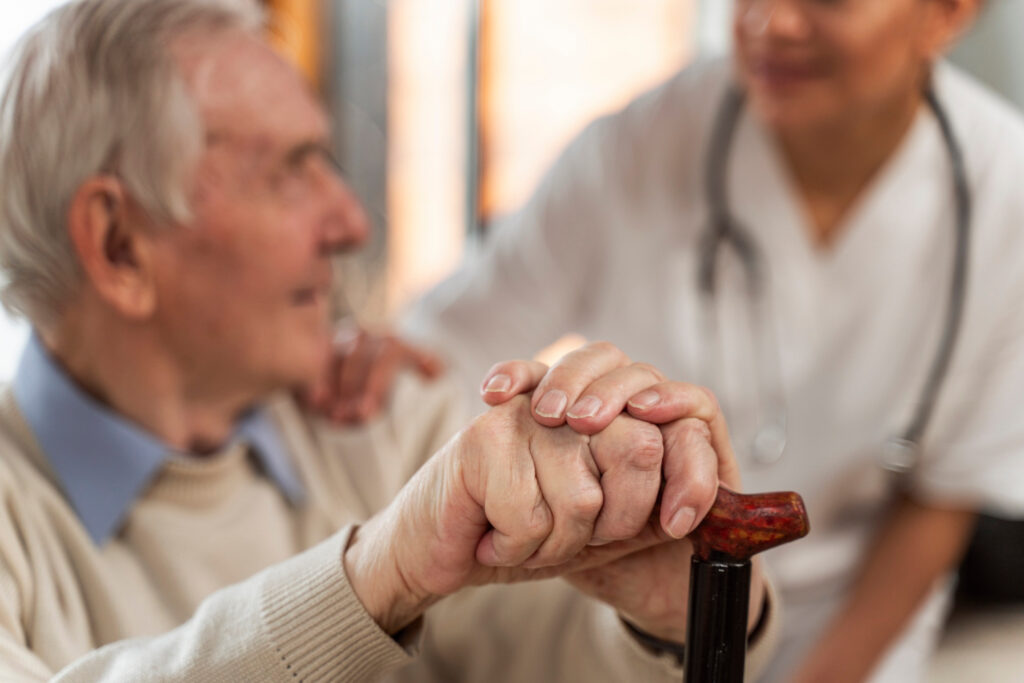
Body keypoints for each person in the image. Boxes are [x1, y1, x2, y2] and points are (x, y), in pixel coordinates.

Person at [0, 0, 780, 680]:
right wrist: (376, 574)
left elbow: (563, 659)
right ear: (118, 244)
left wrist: (677, 611)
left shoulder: (382, 422)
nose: (351, 223)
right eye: (288, 172)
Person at [328, 0, 1024, 681]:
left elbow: (941, 499)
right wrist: (381, 357)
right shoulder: (644, 144)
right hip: (653, 617)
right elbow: (454, 335)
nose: (770, 22)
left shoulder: (1003, 191)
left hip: (851, 625)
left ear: (946, 15)